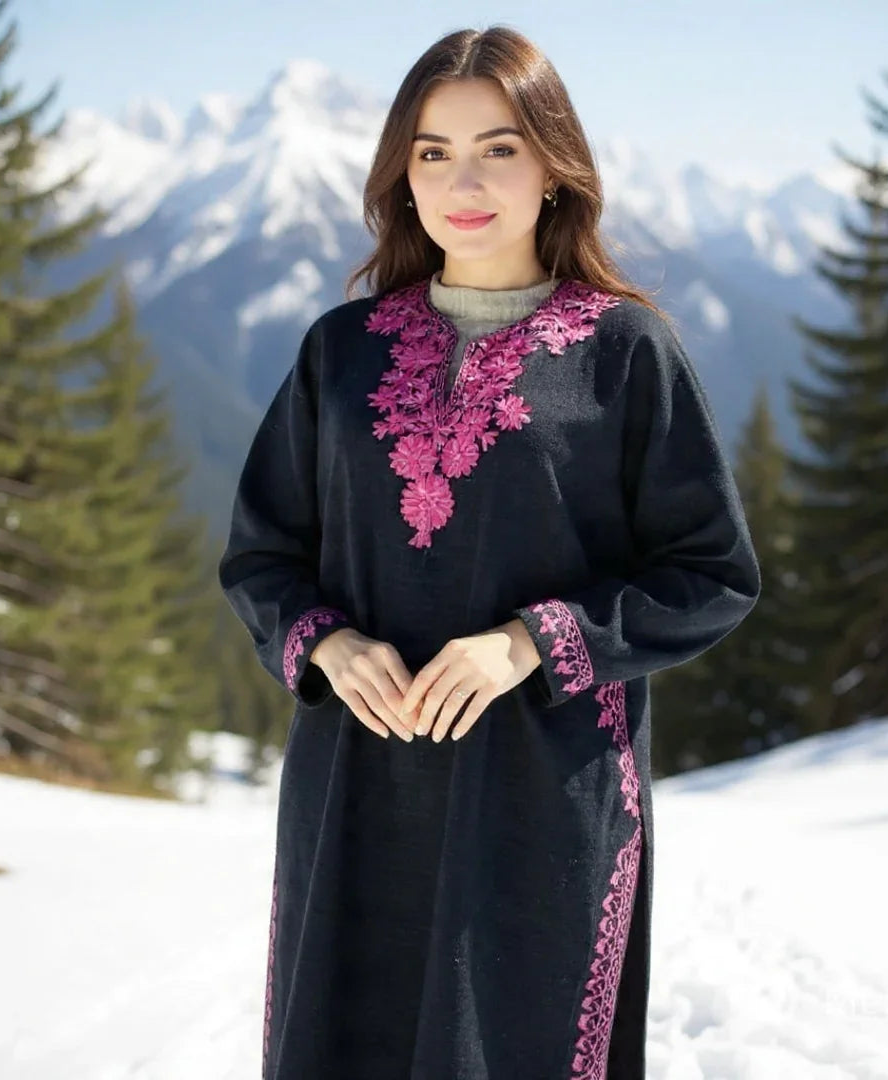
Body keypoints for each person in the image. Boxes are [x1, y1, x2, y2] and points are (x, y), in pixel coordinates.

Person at [218, 24, 761, 1080]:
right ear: (401, 177)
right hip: (356, 794)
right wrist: (327, 647)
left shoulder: (627, 353)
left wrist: (530, 643)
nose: (463, 180)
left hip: (542, 793)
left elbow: (712, 573)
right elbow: (261, 556)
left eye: (498, 147)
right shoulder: (340, 352)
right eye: (433, 152)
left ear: (554, 165)